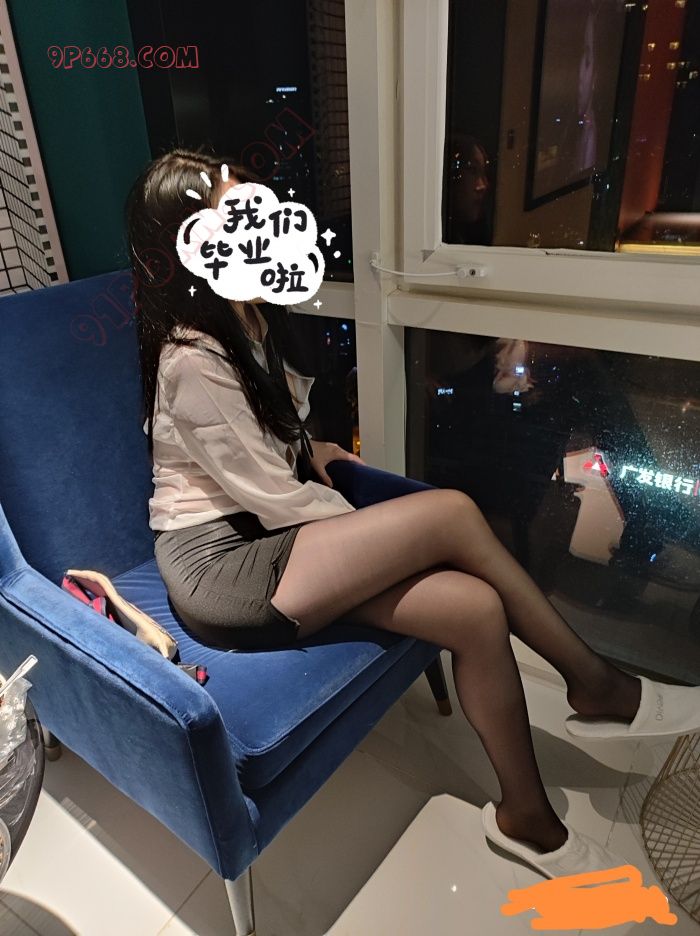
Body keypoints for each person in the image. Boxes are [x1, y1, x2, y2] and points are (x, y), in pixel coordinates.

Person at [126, 146, 700, 877]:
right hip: (223, 563)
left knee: (475, 610)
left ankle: (526, 820)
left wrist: (314, 448)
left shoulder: (247, 320)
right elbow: (272, 495)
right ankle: (597, 685)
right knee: (449, 514)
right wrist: (361, 523)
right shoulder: (190, 356)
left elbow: (267, 443)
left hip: (269, 530)